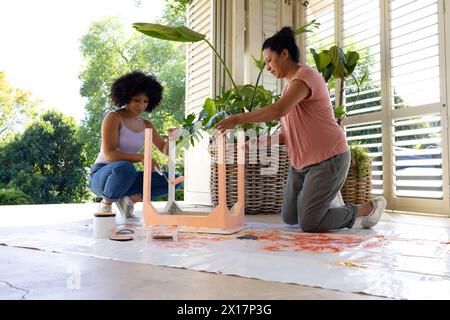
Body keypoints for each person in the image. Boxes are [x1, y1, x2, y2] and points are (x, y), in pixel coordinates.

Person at [214, 27, 386, 233]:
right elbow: (293, 133)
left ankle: (368, 207)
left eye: (269, 60)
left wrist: (238, 118)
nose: (267, 67)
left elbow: (279, 110)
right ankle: (328, 200)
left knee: (310, 222)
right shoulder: (289, 88)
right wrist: (262, 141)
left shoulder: (306, 76)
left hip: (329, 158)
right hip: (301, 165)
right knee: (289, 217)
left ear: (284, 54)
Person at [88, 70, 180, 220]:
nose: (141, 105)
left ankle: (128, 201)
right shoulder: (114, 117)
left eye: (145, 101)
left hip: (126, 178)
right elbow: (109, 154)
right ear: (126, 96)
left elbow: (165, 150)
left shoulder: (147, 125)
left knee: (173, 180)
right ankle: (106, 204)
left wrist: (172, 139)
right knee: (126, 167)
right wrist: (142, 158)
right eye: (137, 100)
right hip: (103, 176)